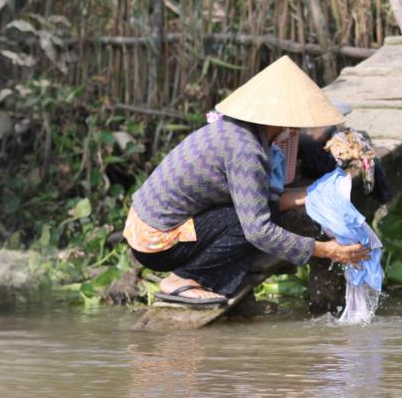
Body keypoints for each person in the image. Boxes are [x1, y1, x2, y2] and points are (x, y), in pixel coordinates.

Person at [125, 56, 370, 307]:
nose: (297, 130)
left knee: (261, 214)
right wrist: (328, 250)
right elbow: (258, 231)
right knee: (257, 224)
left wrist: (315, 192)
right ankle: (182, 280)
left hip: (150, 225)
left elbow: (261, 197)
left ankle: (208, 278)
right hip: (156, 242)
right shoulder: (246, 150)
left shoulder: (238, 131)